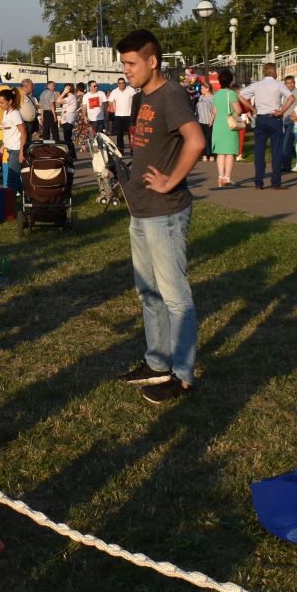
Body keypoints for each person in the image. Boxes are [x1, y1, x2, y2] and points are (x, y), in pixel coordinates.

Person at [114, 30, 203, 405]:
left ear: (153, 61)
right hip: (142, 210)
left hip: (165, 214)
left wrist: (170, 181)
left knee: (174, 297)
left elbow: (196, 140)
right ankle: (156, 363)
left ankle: (182, 375)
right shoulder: (139, 98)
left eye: (131, 63)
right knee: (148, 294)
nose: (126, 70)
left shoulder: (172, 95)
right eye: (123, 64)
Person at [239, 62, 293, 190]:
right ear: (274, 72)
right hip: (275, 118)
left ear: (264, 72)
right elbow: (290, 98)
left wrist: (252, 108)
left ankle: (258, 182)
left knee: (259, 151)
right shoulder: (278, 85)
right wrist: (282, 111)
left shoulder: (257, 85)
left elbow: (240, 95)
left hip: (261, 119)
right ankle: (276, 182)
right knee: (276, 151)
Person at [207, 71, 241, 187]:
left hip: (218, 124)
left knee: (221, 153)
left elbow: (215, 110)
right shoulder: (230, 93)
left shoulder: (216, 94)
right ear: (230, 81)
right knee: (230, 152)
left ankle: (220, 177)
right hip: (229, 124)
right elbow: (238, 110)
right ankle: (227, 178)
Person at [108, 77, 137, 150]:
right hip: (118, 116)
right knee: (119, 134)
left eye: (123, 83)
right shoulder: (114, 91)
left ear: (125, 83)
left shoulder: (131, 90)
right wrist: (112, 106)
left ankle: (132, 149)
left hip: (129, 115)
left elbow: (136, 100)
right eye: (120, 83)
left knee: (131, 134)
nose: (121, 84)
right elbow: (110, 101)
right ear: (118, 84)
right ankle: (120, 149)